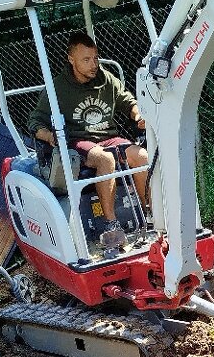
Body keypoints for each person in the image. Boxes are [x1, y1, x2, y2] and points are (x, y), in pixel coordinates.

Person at [26, 31, 149, 237]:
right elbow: (35, 121)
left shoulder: (106, 79)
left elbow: (128, 103)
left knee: (142, 156)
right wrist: (49, 136)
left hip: (107, 137)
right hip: (78, 141)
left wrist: (138, 116)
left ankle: (149, 216)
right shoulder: (57, 88)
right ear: (71, 59)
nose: (94, 64)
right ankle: (111, 226)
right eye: (86, 59)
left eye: (95, 58)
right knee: (105, 159)